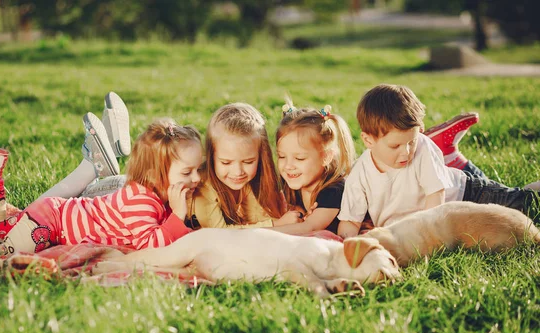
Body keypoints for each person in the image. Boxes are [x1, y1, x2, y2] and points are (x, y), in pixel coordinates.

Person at [0, 118, 203, 254]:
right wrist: (179, 217)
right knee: (2, 249)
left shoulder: (153, 195)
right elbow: (150, 245)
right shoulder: (141, 202)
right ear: (156, 174)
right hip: (51, 223)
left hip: (52, 214)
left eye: (199, 169)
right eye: (187, 172)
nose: (197, 178)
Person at [337, 84, 540, 238]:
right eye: (395, 146)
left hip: (469, 194)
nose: (406, 152)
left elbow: (435, 201)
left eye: (411, 142)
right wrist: (350, 246)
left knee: (528, 207)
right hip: (442, 218)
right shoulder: (360, 174)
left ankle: (530, 193)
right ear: (368, 140)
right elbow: (349, 222)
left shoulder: (423, 148)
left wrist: (422, 237)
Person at [188, 102, 299, 229]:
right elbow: (220, 233)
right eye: (226, 162)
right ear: (211, 157)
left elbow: (260, 219)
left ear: (261, 157)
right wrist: (276, 224)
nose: (237, 172)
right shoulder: (203, 185)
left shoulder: (253, 182)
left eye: (248, 162)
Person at [271, 99, 355, 235]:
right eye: (281, 156)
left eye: (300, 158)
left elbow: (310, 228)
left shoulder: (334, 189)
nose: (288, 166)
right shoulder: (292, 181)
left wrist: (256, 233)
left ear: (326, 157)